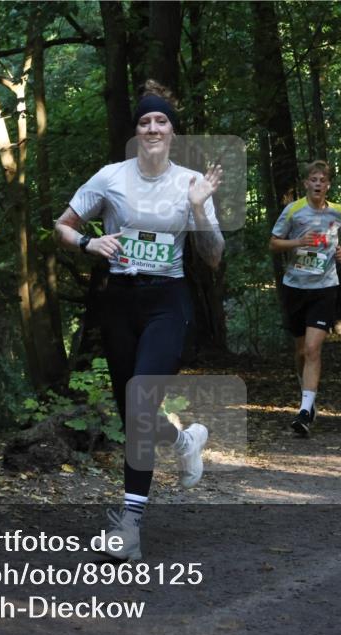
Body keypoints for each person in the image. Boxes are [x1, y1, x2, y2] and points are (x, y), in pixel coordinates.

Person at [53, 80, 224, 560]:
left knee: (141, 399)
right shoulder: (110, 177)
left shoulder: (192, 182)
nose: (152, 127)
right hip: (120, 302)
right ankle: (184, 439)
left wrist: (198, 212)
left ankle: (129, 527)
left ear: (172, 132)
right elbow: (61, 226)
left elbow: (211, 259)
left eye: (161, 121)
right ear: (137, 133)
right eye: (145, 121)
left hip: (167, 302)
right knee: (136, 416)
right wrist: (89, 243)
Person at [269, 161, 341, 437]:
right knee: (300, 352)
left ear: (328, 185)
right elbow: (273, 243)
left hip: (325, 286)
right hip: (295, 286)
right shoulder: (293, 211)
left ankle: (305, 411)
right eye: (313, 179)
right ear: (306, 183)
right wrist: (298, 243)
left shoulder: (338, 211)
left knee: (313, 349)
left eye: (323, 180)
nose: (318, 184)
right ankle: (306, 391)